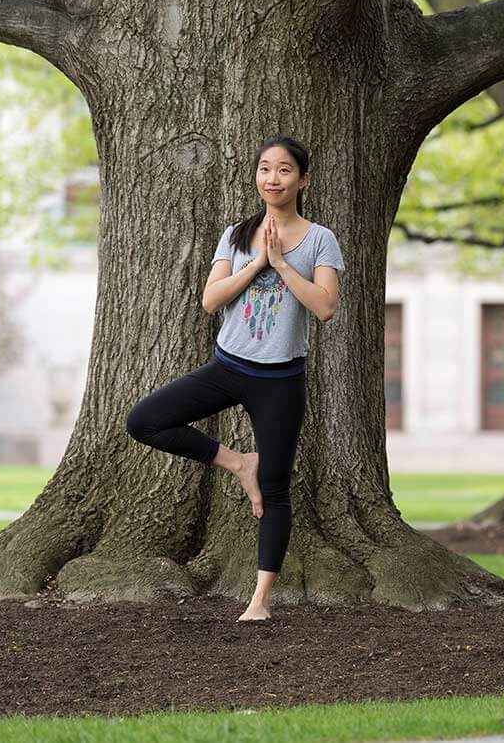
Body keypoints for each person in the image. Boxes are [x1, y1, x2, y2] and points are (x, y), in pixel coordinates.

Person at [125, 135, 345, 621]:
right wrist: (258, 263)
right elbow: (211, 299)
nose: (273, 178)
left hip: (281, 380)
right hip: (228, 367)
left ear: (302, 179)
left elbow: (325, 307)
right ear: (256, 176)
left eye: (284, 170)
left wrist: (283, 263)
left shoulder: (319, 239)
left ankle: (261, 600)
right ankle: (237, 463)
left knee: (276, 486)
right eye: (265, 169)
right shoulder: (236, 235)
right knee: (143, 421)